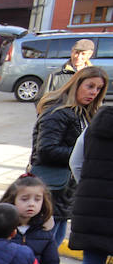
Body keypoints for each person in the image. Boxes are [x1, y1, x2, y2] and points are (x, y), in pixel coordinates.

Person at [31, 64, 106, 253]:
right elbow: (46, 150)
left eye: (98, 89)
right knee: (41, 251)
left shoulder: (84, 113)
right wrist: (85, 154)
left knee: (50, 251)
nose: (94, 93)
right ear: (76, 84)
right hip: (50, 190)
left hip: (65, 193)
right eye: (90, 86)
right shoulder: (58, 112)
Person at [68, 103, 113, 264]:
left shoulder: (94, 125)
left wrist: (88, 186)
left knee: (92, 260)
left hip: (90, 201)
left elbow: (75, 162)